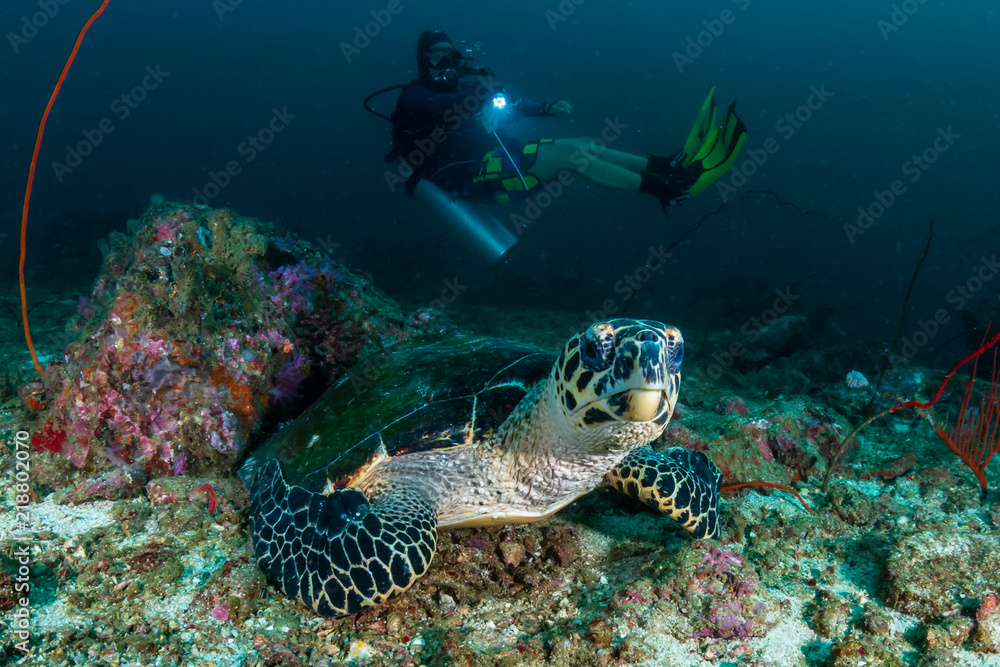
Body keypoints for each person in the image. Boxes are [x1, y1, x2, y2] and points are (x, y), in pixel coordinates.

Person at [387, 30, 747, 212]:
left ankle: (666, 166)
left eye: (449, 57)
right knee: (571, 159)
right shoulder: (415, 95)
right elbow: (450, 101)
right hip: (462, 177)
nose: (444, 66)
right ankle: (664, 190)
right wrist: (479, 94)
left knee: (581, 145)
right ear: (422, 62)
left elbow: (504, 102)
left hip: (492, 159)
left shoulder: (469, 88)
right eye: (436, 59)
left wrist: (546, 107)